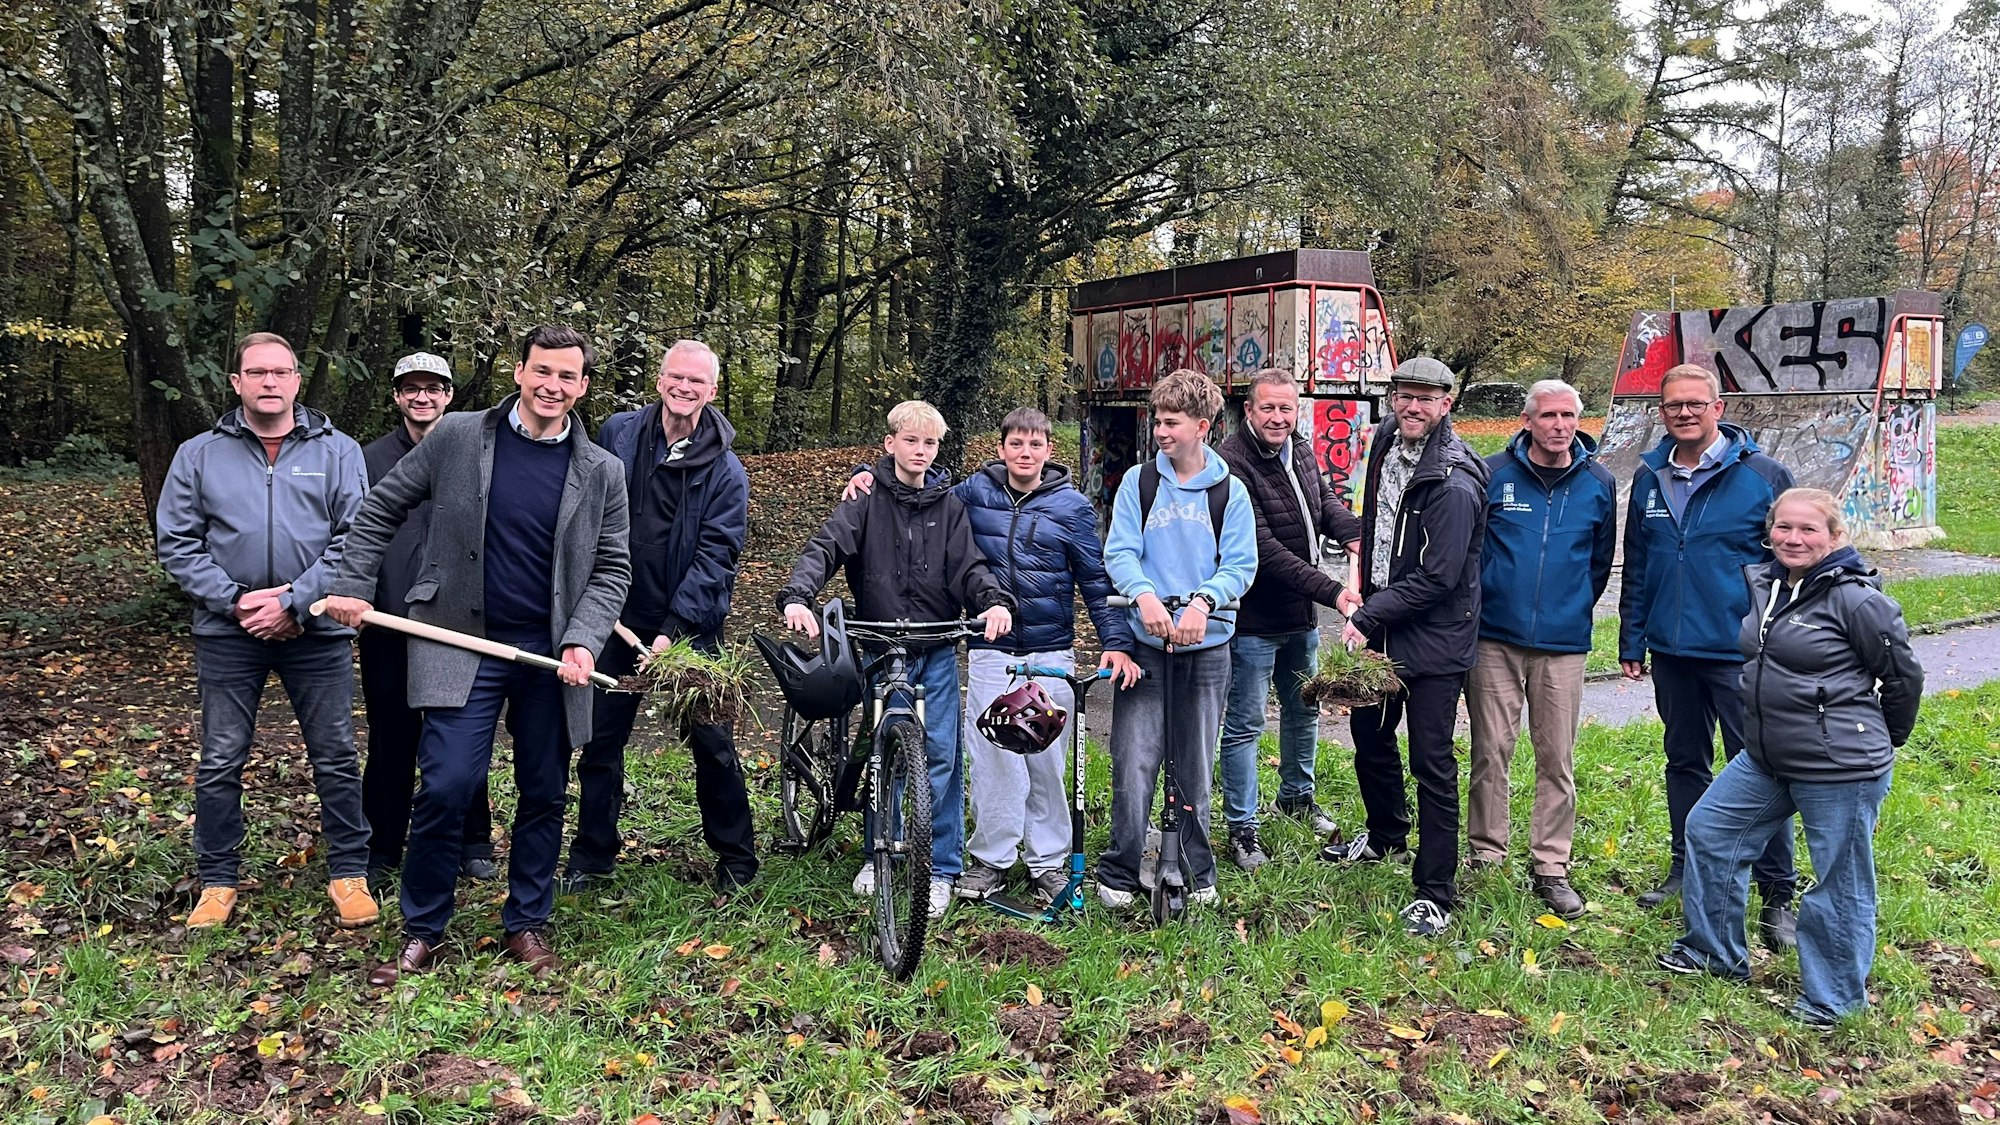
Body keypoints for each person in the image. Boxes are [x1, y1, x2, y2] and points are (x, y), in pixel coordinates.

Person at [324, 325, 631, 984]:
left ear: (582, 386)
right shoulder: (459, 437)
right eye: (541, 370)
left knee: (544, 789)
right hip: (462, 641)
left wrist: (583, 634)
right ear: (520, 371)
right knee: (446, 783)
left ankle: (525, 921)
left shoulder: (602, 470)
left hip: (550, 654)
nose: (553, 385)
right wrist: (351, 584)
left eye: (567, 376)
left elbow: (612, 566)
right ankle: (423, 927)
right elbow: (379, 508)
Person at [1658, 488, 1921, 1026]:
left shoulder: (1857, 600)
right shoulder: (1771, 584)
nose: (1793, 539)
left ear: (1834, 536)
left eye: (1808, 530)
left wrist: (1877, 740)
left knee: (1839, 882)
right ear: (1769, 530)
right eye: (1784, 527)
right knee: (1709, 830)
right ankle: (1714, 952)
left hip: (1839, 766)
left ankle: (1833, 1000)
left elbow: (1902, 677)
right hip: (1768, 755)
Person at [154, 330, 377, 931]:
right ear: (237, 383)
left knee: (334, 753)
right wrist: (234, 601)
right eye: (257, 373)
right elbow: (176, 543)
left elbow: (354, 538)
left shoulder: (338, 451)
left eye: (281, 372)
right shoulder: (199, 454)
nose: (270, 382)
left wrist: (296, 602)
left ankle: (348, 873)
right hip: (229, 633)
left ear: (297, 381)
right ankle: (218, 881)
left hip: (319, 632)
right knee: (221, 758)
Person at [777, 400, 1014, 921]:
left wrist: (994, 603)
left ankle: (942, 869)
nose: (920, 451)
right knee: (883, 753)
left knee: (942, 759)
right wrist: (798, 594)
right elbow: (826, 547)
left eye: (929, 443)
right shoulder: (863, 501)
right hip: (880, 646)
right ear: (890, 445)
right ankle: (877, 850)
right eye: (911, 441)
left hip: (934, 645)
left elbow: (970, 567)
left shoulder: (950, 506)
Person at [1619, 363, 1799, 948]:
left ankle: (1776, 893)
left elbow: (1793, 565)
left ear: (1718, 408)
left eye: (1696, 403)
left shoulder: (1764, 476)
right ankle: (1687, 868)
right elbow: (1638, 565)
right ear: (1662, 412)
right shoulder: (1650, 478)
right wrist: (1632, 638)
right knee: (1684, 762)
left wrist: (1776, 635)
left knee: (1761, 768)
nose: (1685, 413)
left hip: (1741, 653)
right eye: (1674, 405)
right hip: (1672, 651)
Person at [572, 340, 757, 895]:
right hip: (613, 615)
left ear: (713, 391)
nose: (685, 387)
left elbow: (716, 559)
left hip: (688, 628)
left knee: (713, 742)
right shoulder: (617, 436)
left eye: (697, 381)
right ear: (658, 380)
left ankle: (736, 858)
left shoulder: (727, 472)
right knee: (600, 742)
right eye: (676, 377)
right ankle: (591, 858)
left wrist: (671, 634)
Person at [1322, 356, 1488, 938]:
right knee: (1369, 734)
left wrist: (1367, 616)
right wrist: (1362, 580)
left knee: (1431, 761)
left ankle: (1436, 890)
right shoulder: (1390, 440)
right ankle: (1387, 835)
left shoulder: (1456, 483)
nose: (1412, 406)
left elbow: (1439, 578)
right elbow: (1375, 524)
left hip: (1435, 641)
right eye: (1404, 395)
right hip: (1385, 623)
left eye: (1426, 398)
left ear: (1448, 403)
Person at [1097, 369, 1257, 911]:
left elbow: (1240, 564)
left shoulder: (1229, 492)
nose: (1161, 431)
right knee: (1134, 759)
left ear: (1202, 427)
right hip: (1147, 645)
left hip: (1207, 648)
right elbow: (1119, 552)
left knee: (1195, 763)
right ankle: (1121, 869)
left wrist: (1204, 602)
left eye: (1171, 422)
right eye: (1157, 421)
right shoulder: (1139, 484)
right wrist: (1142, 595)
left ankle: (1195, 864)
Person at [1463, 379, 1616, 919]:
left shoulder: (1599, 482)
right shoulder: (1492, 473)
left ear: (1579, 420)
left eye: (1569, 416)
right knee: (1490, 751)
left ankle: (1551, 864)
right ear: (1527, 420)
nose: (1559, 426)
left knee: (1557, 759)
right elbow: (1473, 550)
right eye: (1548, 415)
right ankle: (1486, 854)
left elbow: (1599, 564)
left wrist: (1568, 607)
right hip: (1494, 639)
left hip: (1563, 643)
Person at [357, 352, 498, 886]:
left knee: (459, 735)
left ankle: (473, 839)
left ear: (448, 395)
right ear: (396, 397)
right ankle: (383, 845)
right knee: (391, 736)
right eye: (411, 388)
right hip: (388, 621)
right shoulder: (369, 460)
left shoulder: (475, 456)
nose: (422, 397)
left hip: (456, 623)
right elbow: (358, 531)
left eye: (433, 388)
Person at [1215, 369, 1363, 871]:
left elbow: (1321, 503)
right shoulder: (1231, 463)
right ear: (1249, 411)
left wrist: (1354, 533)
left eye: (1286, 408)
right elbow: (1265, 551)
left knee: (1304, 711)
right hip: (1254, 621)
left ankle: (1296, 798)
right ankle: (1243, 826)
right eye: (1268, 409)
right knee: (1246, 723)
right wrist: (1335, 592)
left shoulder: (1298, 448)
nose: (1278, 417)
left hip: (1300, 619)